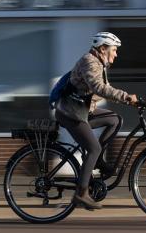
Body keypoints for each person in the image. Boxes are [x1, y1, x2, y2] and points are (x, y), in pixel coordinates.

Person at [55, 32, 138, 210]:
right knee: (93, 148)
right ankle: (81, 194)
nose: (116, 54)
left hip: (82, 110)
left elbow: (102, 89)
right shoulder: (90, 62)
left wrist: (126, 99)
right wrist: (126, 97)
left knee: (115, 120)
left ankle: (97, 161)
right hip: (71, 113)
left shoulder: (98, 63)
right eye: (114, 50)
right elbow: (98, 87)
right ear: (103, 49)